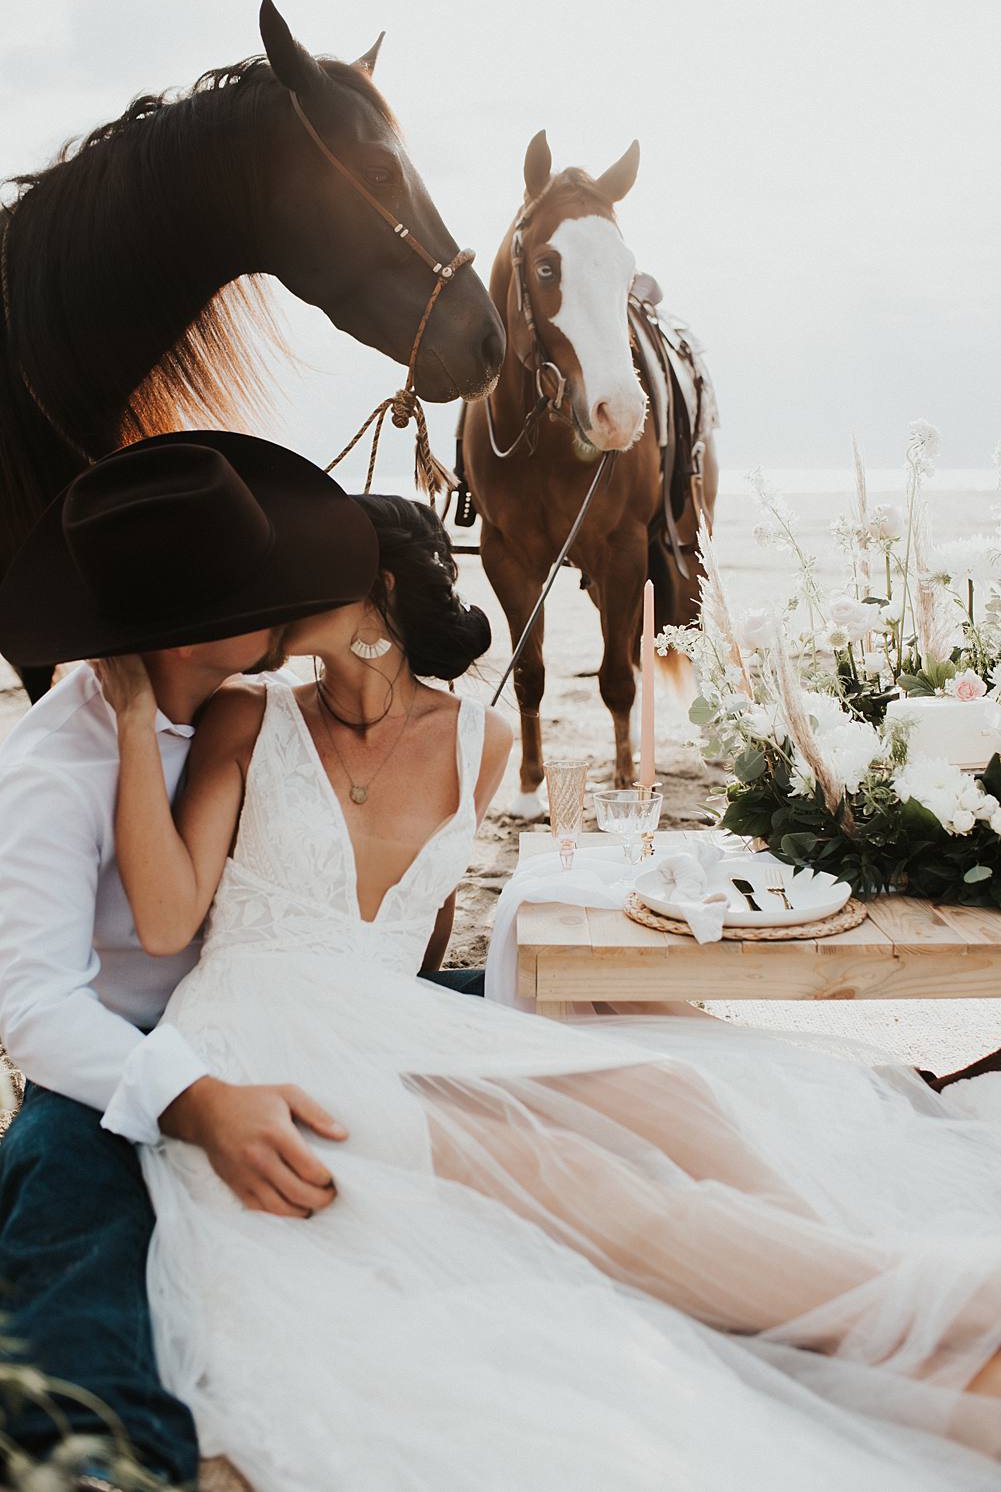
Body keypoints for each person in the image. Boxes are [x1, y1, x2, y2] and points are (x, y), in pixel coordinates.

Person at [95, 492, 1001, 1490]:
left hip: (386, 1019)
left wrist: (441, 1044)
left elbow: (415, 930)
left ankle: (844, 1281)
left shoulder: (475, 741)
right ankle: (921, 1310)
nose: (273, 595)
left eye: (302, 572)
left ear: (374, 596)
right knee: (570, 1177)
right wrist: (136, 715)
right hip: (264, 1031)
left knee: (667, 1091)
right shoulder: (246, 716)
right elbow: (170, 922)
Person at [0, 433, 482, 1489]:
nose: (295, 593)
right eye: (266, 582)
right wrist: (194, 1098)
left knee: (559, 1041)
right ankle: (109, 1456)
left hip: (310, 998)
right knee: (64, 1214)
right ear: (191, 628)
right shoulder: (48, 769)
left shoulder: (255, 706)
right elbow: (35, 1008)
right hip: (125, 1058)